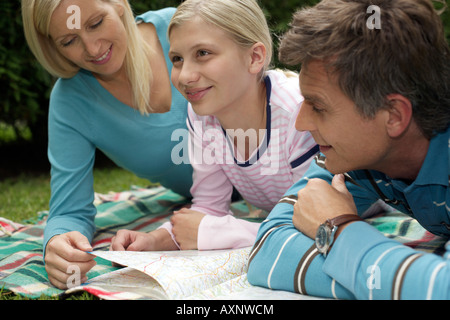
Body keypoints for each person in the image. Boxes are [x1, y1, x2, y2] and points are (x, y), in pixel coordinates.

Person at [247, 0, 450, 300]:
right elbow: (267, 251)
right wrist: (381, 281)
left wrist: (340, 231)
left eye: (318, 106)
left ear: (394, 115)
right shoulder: (357, 155)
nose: (301, 123)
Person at [110, 0, 318, 252]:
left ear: (255, 57)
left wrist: (217, 232)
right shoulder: (201, 116)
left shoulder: (298, 114)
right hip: (286, 218)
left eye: (203, 53)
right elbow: (209, 208)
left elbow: (315, 225)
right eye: (177, 59)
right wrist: (155, 240)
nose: (185, 76)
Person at [21, 0, 193, 289]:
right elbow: (69, 211)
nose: (92, 48)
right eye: (69, 40)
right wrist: (59, 243)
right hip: (214, 206)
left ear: (118, 4)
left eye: (96, 23)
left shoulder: (185, 27)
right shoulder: (72, 102)